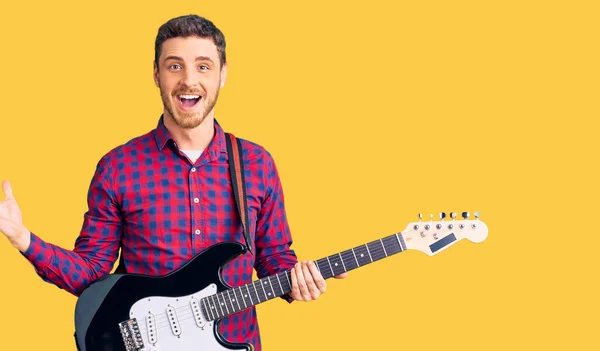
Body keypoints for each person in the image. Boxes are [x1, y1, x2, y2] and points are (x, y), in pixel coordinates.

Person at [0, 14, 346, 350]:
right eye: (175, 65)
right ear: (156, 74)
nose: (189, 81)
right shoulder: (118, 167)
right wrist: (23, 238)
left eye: (203, 66)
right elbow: (91, 275)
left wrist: (299, 280)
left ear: (223, 75)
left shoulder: (257, 164)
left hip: (235, 342)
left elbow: (274, 259)